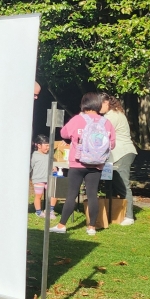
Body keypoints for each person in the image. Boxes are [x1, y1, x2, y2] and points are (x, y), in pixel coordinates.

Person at [52, 92, 115, 236]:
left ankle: (62, 225)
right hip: (97, 164)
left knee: (72, 194)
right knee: (92, 195)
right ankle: (91, 227)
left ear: (84, 104)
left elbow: (64, 134)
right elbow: (112, 143)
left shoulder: (77, 119)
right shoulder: (106, 122)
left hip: (77, 162)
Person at [102, 95, 137, 226]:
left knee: (123, 184)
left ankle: (129, 216)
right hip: (122, 152)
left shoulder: (111, 116)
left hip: (121, 152)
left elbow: (101, 134)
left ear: (107, 103)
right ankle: (113, 211)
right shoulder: (116, 113)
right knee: (115, 184)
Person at [30, 134, 53, 217]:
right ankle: (38, 212)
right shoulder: (34, 155)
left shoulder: (49, 155)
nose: (48, 147)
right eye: (46, 145)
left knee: (53, 194)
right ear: (39, 145)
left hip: (49, 179)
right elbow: (31, 166)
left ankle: (50, 210)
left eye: (49, 146)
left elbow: (52, 165)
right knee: (38, 195)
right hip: (38, 179)